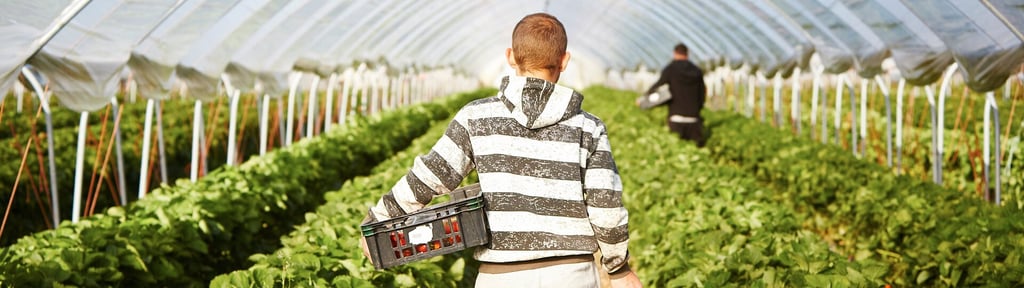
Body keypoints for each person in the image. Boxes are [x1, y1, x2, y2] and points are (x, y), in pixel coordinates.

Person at [361, 13, 642, 288]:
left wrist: (380, 219)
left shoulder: (476, 117)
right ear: (565, 61)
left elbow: (430, 175)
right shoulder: (588, 127)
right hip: (571, 274)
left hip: (500, 276)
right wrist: (618, 269)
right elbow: (605, 205)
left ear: (510, 57)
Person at [645, 43, 707, 147]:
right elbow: (702, 93)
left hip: (676, 119)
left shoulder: (671, 69)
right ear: (687, 54)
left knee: (676, 150)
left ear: (675, 53)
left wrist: (645, 99)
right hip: (694, 120)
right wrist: (698, 109)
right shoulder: (697, 71)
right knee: (696, 151)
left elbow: (659, 85)